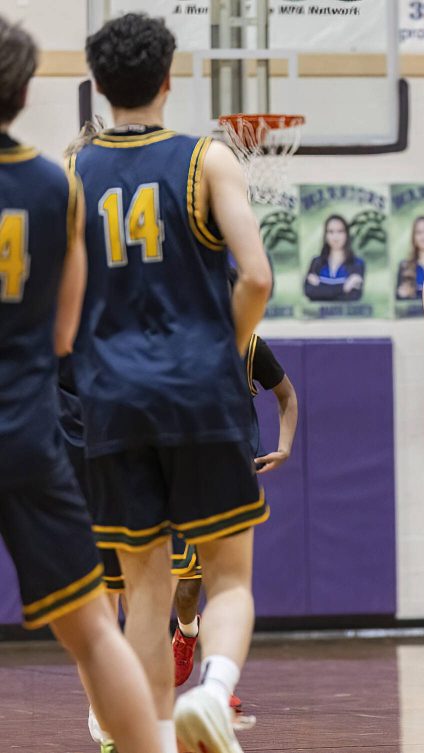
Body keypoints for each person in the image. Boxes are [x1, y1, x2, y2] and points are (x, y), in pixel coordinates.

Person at [73, 13, 272, 752]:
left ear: (99, 86)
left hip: (112, 403)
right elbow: (256, 276)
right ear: (168, 77)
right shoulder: (206, 159)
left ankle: (150, 739)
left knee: (145, 594)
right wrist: (227, 349)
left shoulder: (72, 173)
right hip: (198, 393)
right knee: (229, 579)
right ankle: (213, 694)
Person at [0, 16, 160, 752]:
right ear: (26, 92)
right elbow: (65, 331)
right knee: (95, 627)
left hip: (64, 424)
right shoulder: (53, 186)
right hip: (31, 432)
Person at [172, 331, 298, 691]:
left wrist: (284, 447)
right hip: (176, 476)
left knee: (225, 587)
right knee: (184, 588)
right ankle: (186, 633)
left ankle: (218, 687)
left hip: (230, 474)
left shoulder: (250, 346)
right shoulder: (167, 339)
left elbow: (287, 394)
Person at [304, 214, 365, 301]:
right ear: (326, 235)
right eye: (331, 232)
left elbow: (353, 296)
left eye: (340, 231)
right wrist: (344, 288)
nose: (335, 237)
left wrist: (320, 286)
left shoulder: (357, 264)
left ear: (347, 234)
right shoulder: (316, 262)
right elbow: (309, 292)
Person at [396, 215, 424, 300]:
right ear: (414, 237)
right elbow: (398, 299)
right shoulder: (405, 266)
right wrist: (402, 294)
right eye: (419, 232)